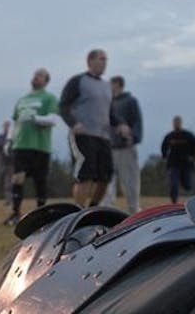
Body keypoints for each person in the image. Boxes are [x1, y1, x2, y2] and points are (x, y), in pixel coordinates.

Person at [59, 49, 128, 207]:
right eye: (101, 59)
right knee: (86, 175)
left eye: (106, 59)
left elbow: (110, 113)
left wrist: (120, 124)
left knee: (106, 177)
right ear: (89, 61)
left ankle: (93, 208)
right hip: (82, 135)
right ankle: (78, 212)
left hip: (103, 137)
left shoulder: (107, 86)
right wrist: (73, 123)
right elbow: (63, 106)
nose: (104, 62)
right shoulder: (77, 81)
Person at [4, 68, 61, 225]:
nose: (36, 78)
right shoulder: (22, 99)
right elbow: (14, 122)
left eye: (40, 76)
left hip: (40, 146)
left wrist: (35, 118)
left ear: (46, 80)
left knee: (40, 180)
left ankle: (42, 215)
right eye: (35, 75)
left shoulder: (49, 98)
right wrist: (9, 140)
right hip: (21, 144)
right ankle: (15, 213)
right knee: (17, 178)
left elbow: (53, 120)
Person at [109, 75, 144, 214]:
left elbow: (137, 122)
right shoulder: (107, 103)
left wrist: (133, 137)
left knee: (130, 184)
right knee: (106, 186)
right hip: (108, 148)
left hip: (125, 148)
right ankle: (106, 213)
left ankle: (134, 211)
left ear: (118, 84)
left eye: (110, 84)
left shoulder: (131, 101)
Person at [160, 116, 195, 203]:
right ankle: (174, 202)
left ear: (180, 123)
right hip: (174, 164)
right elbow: (164, 146)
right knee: (174, 184)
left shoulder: (188, 135)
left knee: (187, 185)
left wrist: (194, 157)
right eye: (174, 123)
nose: (176, 124)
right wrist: (164, 156)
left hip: (186, 164)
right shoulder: (170, 136)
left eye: (177, 122)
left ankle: (192, 199)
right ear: (173, 124)